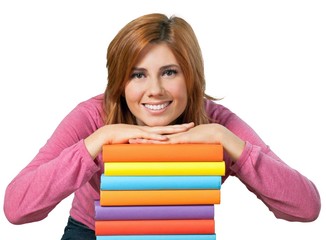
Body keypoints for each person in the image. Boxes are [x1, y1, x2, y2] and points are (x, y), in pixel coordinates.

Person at [4, 13, 321, 239]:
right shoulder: (92, 117)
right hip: (92, 232)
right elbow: (17, 208)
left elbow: (306, 206)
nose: (154, 89)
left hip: (181, 232)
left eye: (169, 72)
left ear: (191, 75)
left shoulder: (219, 125)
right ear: (119, 81)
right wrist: (97, 141)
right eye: (138, 74)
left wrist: (227, 141)